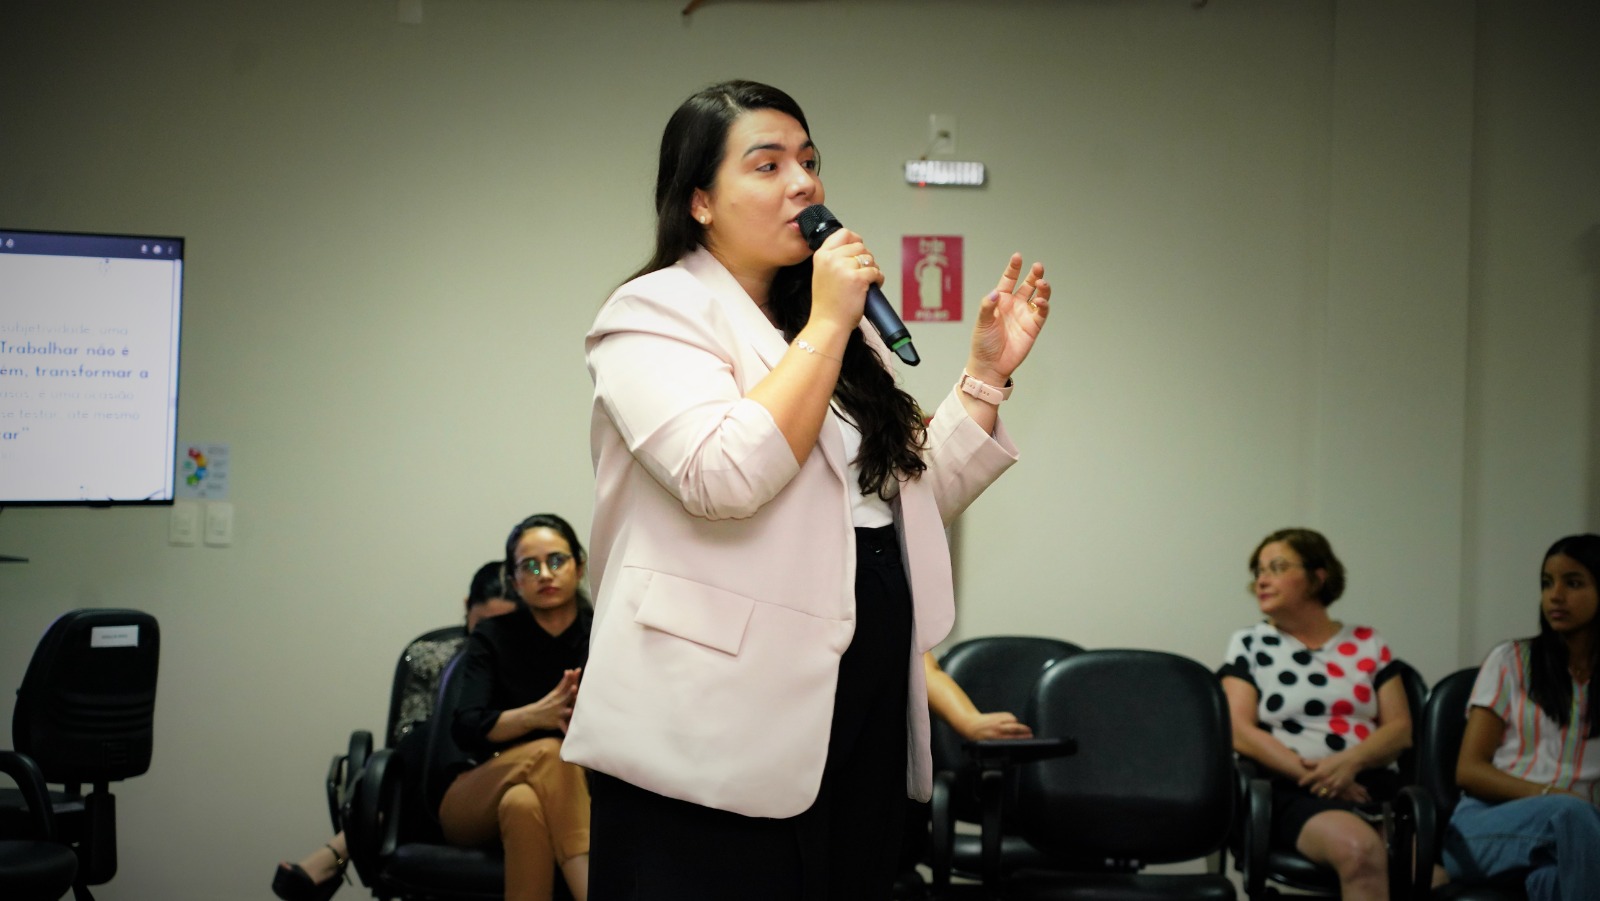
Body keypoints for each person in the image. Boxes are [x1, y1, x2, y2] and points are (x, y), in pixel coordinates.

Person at [561, 79, 1051, 901]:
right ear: (700, 201)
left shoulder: (836, 331)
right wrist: (827, 323)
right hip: (709, 712)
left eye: (810, 161)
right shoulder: (653, 312)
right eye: (768, 165)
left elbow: (902, 502)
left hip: (859, 686)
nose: (804, 184)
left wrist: (984, 379)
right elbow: (724, 476)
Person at [271, 561, 519, 901]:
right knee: (430, 735)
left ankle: (340, 848)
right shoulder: (432, 657)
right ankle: (354, 837)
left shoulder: (528, 662)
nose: (490, 637)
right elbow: (406, 737)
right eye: (483, 625)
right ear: (467, 608)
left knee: (456, 731)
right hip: (428, 791)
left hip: (495, 786)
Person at [1219, 527, 1412, 901]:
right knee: (1359, 851)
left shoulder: (1368, 642)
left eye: (1277, 567)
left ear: (1317, 577)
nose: (1262, 580)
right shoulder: (1250, 643)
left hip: (1368, 786)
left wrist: (1349, 764)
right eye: (1258, 571)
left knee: (1430, 874)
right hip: (1290, 789)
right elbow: (1238, 730)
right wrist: (1320, 777)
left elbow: (1400, 729)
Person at [435, 513, 593, 901]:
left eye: (556, 561)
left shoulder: (602, 632)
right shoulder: (493, 636)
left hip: (568, 793)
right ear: (515, 580)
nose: (545, 574)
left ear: (579, 566)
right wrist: (535, 716)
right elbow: (466, 727)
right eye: (530, 566)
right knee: (551, 753)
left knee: (523, 804)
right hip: (475, 793)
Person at [1441, 533, 1599, 901]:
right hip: (1487, 826)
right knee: (1570, 815)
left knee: (1555, 880)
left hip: (1580, 838)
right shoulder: (1511, 661)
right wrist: (1552, 796)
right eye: (1547, 583)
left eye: (1573, 583)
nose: (1555, 596)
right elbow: (1469, 770)